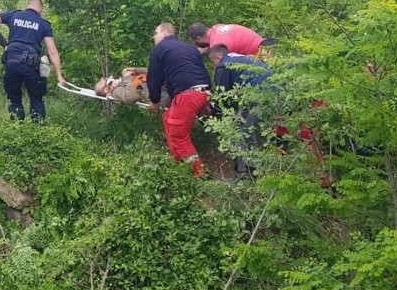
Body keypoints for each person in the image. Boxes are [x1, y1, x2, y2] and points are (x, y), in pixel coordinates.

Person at [0, 0, 65, 121]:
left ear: (27, 6)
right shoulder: (43, 24)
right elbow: (52, 51)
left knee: (14, 99)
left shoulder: (14, 15)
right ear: (41, 10)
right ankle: (37, 130)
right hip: (31, 65)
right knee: (36, 98)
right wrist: (59, 75)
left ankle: (17, 127)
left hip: (11, 63)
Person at [146, 23, 212, 178]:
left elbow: (154, 79)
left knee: (178, 136)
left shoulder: (159, 50)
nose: (154, 36)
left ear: (164, 32)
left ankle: (199, 174)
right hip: (205, 92)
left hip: (187, 95)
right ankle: (177, 162)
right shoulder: (189, 48)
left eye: (155, 33)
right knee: (167, 118)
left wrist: (154, 101)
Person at [208, 43, 275, 178]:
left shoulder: (223, 66)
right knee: (240, 124)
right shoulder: (240, 58)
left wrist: (222, 113)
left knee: (246, 130)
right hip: (270, 90)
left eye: (212, 62)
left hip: (263, 95)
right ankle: (243, 170)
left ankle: (256, 172)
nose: (213, 65)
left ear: (218, 57)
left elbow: (225, 97)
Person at [95, 68, 171, 107]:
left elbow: (150, 71)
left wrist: (133, 69)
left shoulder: (120, 83)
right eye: (100, 82)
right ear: (106, 89)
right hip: (161, 96)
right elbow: (131, 97)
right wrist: (127, 77)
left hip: (163, 85)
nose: (102, 78)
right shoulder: (115, 91)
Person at [188, 22, 265, 56]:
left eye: (195, 42)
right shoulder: (216, 28)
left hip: (259, 54)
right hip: (263, 44)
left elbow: (223, 65)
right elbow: (209, 47)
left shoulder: (217, 44)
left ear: (198, 39)